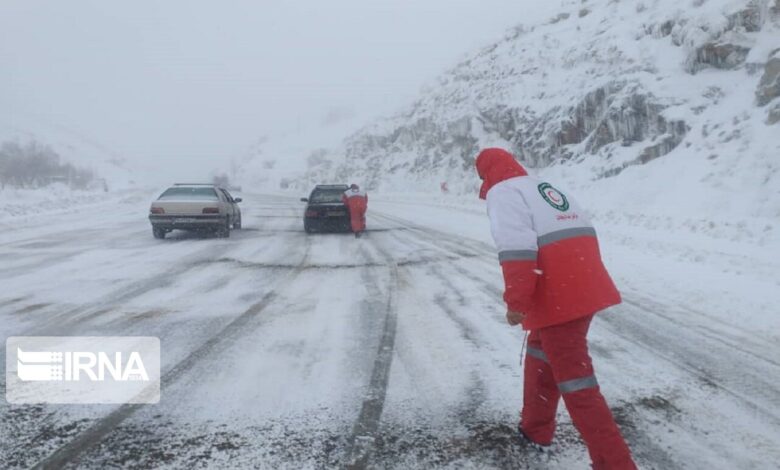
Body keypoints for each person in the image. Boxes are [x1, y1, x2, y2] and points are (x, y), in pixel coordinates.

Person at [475, 148, 637, 470]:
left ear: (486, 173)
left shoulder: (503, 192)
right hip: (582, 288)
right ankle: (536, 429)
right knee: (539, 352)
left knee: (578, 383)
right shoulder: (539, 187)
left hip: (560, 298)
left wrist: (517, 303)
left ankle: (615, 463)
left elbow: (517, 249)